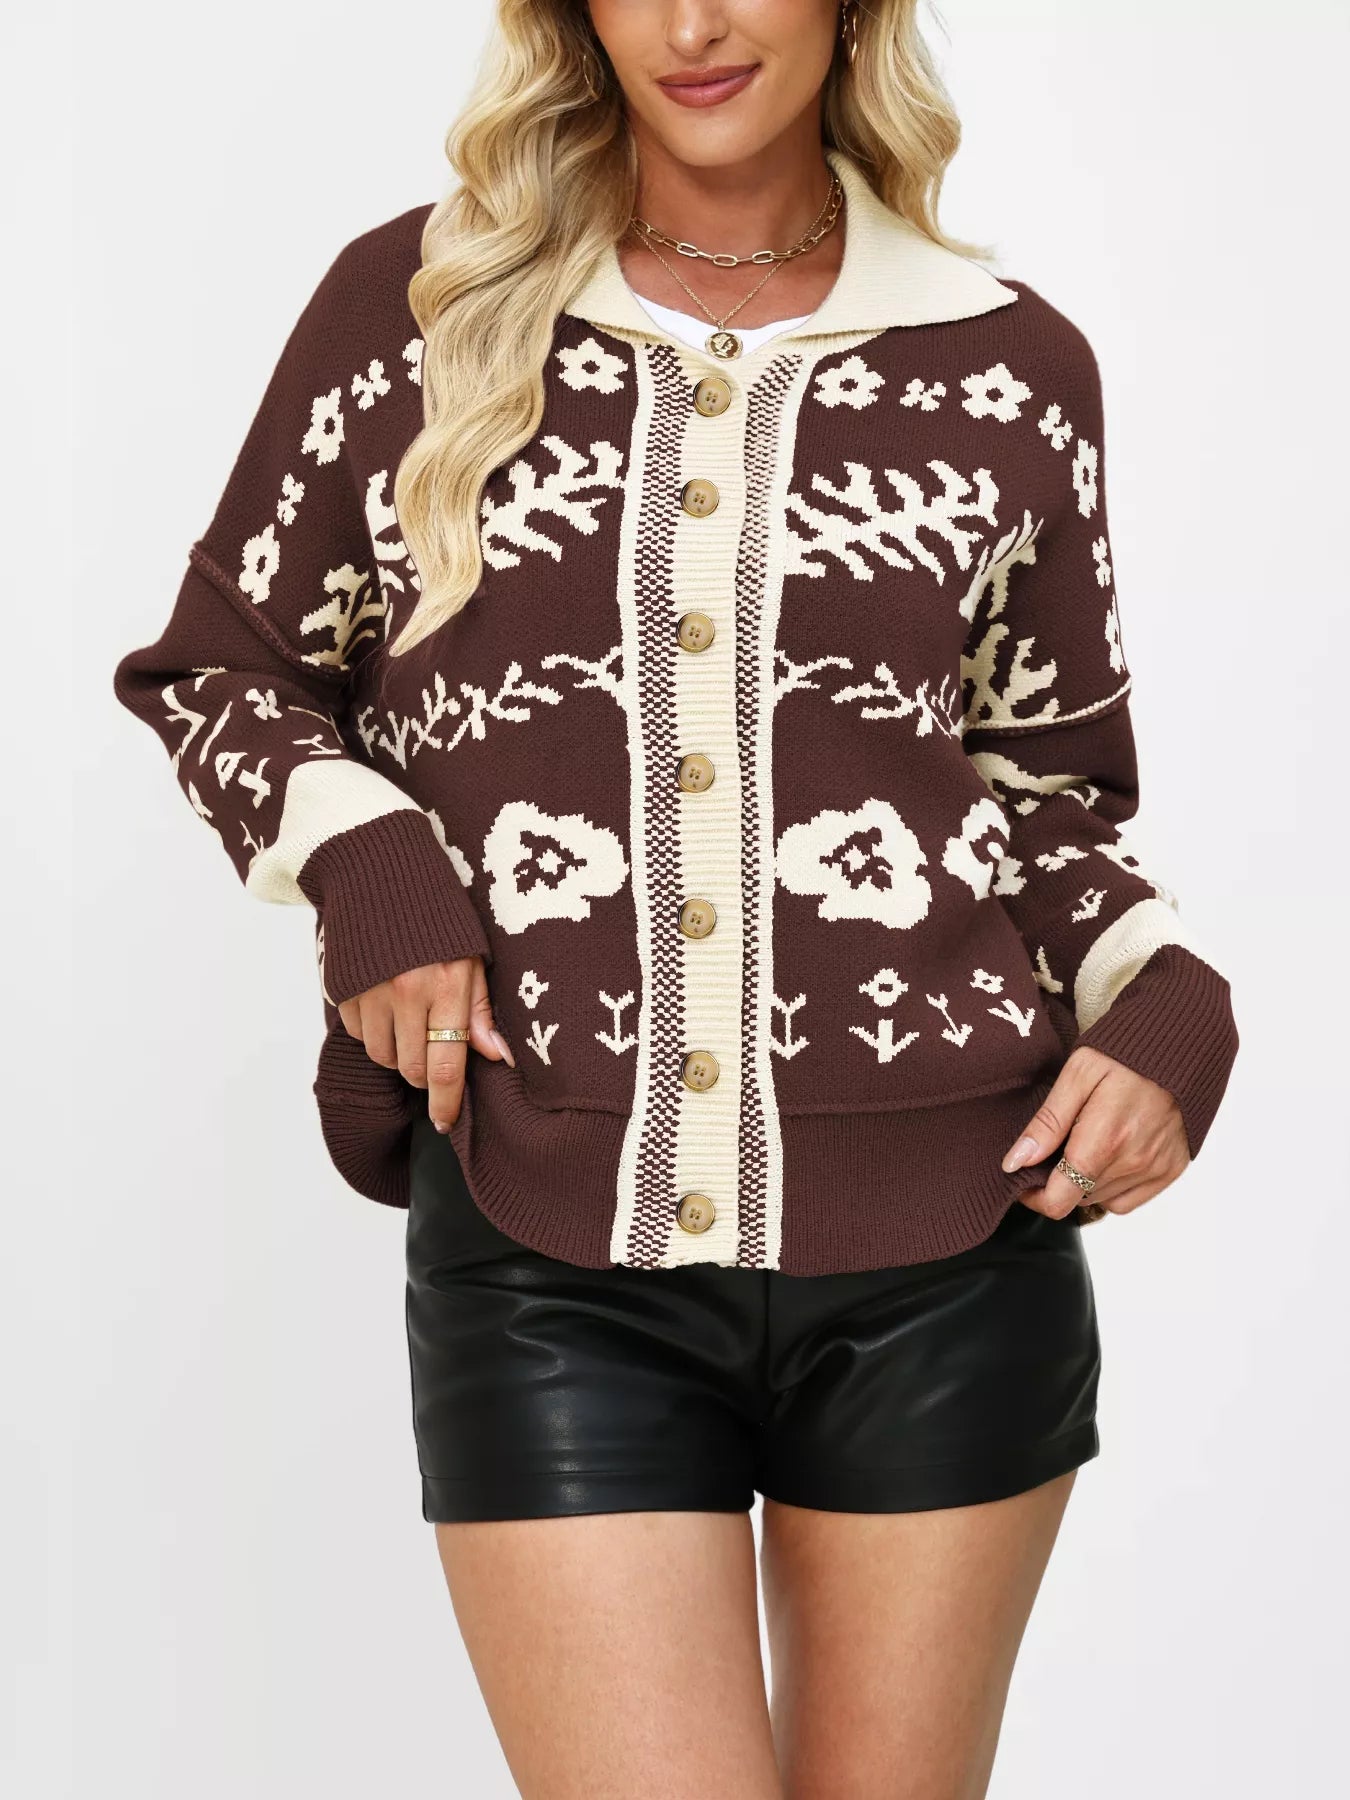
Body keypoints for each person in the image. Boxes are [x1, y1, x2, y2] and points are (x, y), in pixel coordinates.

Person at [112, 0, 1240, 1793]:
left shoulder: (1008, 363)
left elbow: (1040, 798)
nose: (693, 24)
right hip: (547, 1236)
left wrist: (1167, 997)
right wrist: (372, 862)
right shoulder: (419, 304)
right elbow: (224, 672)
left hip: (954, 1250)